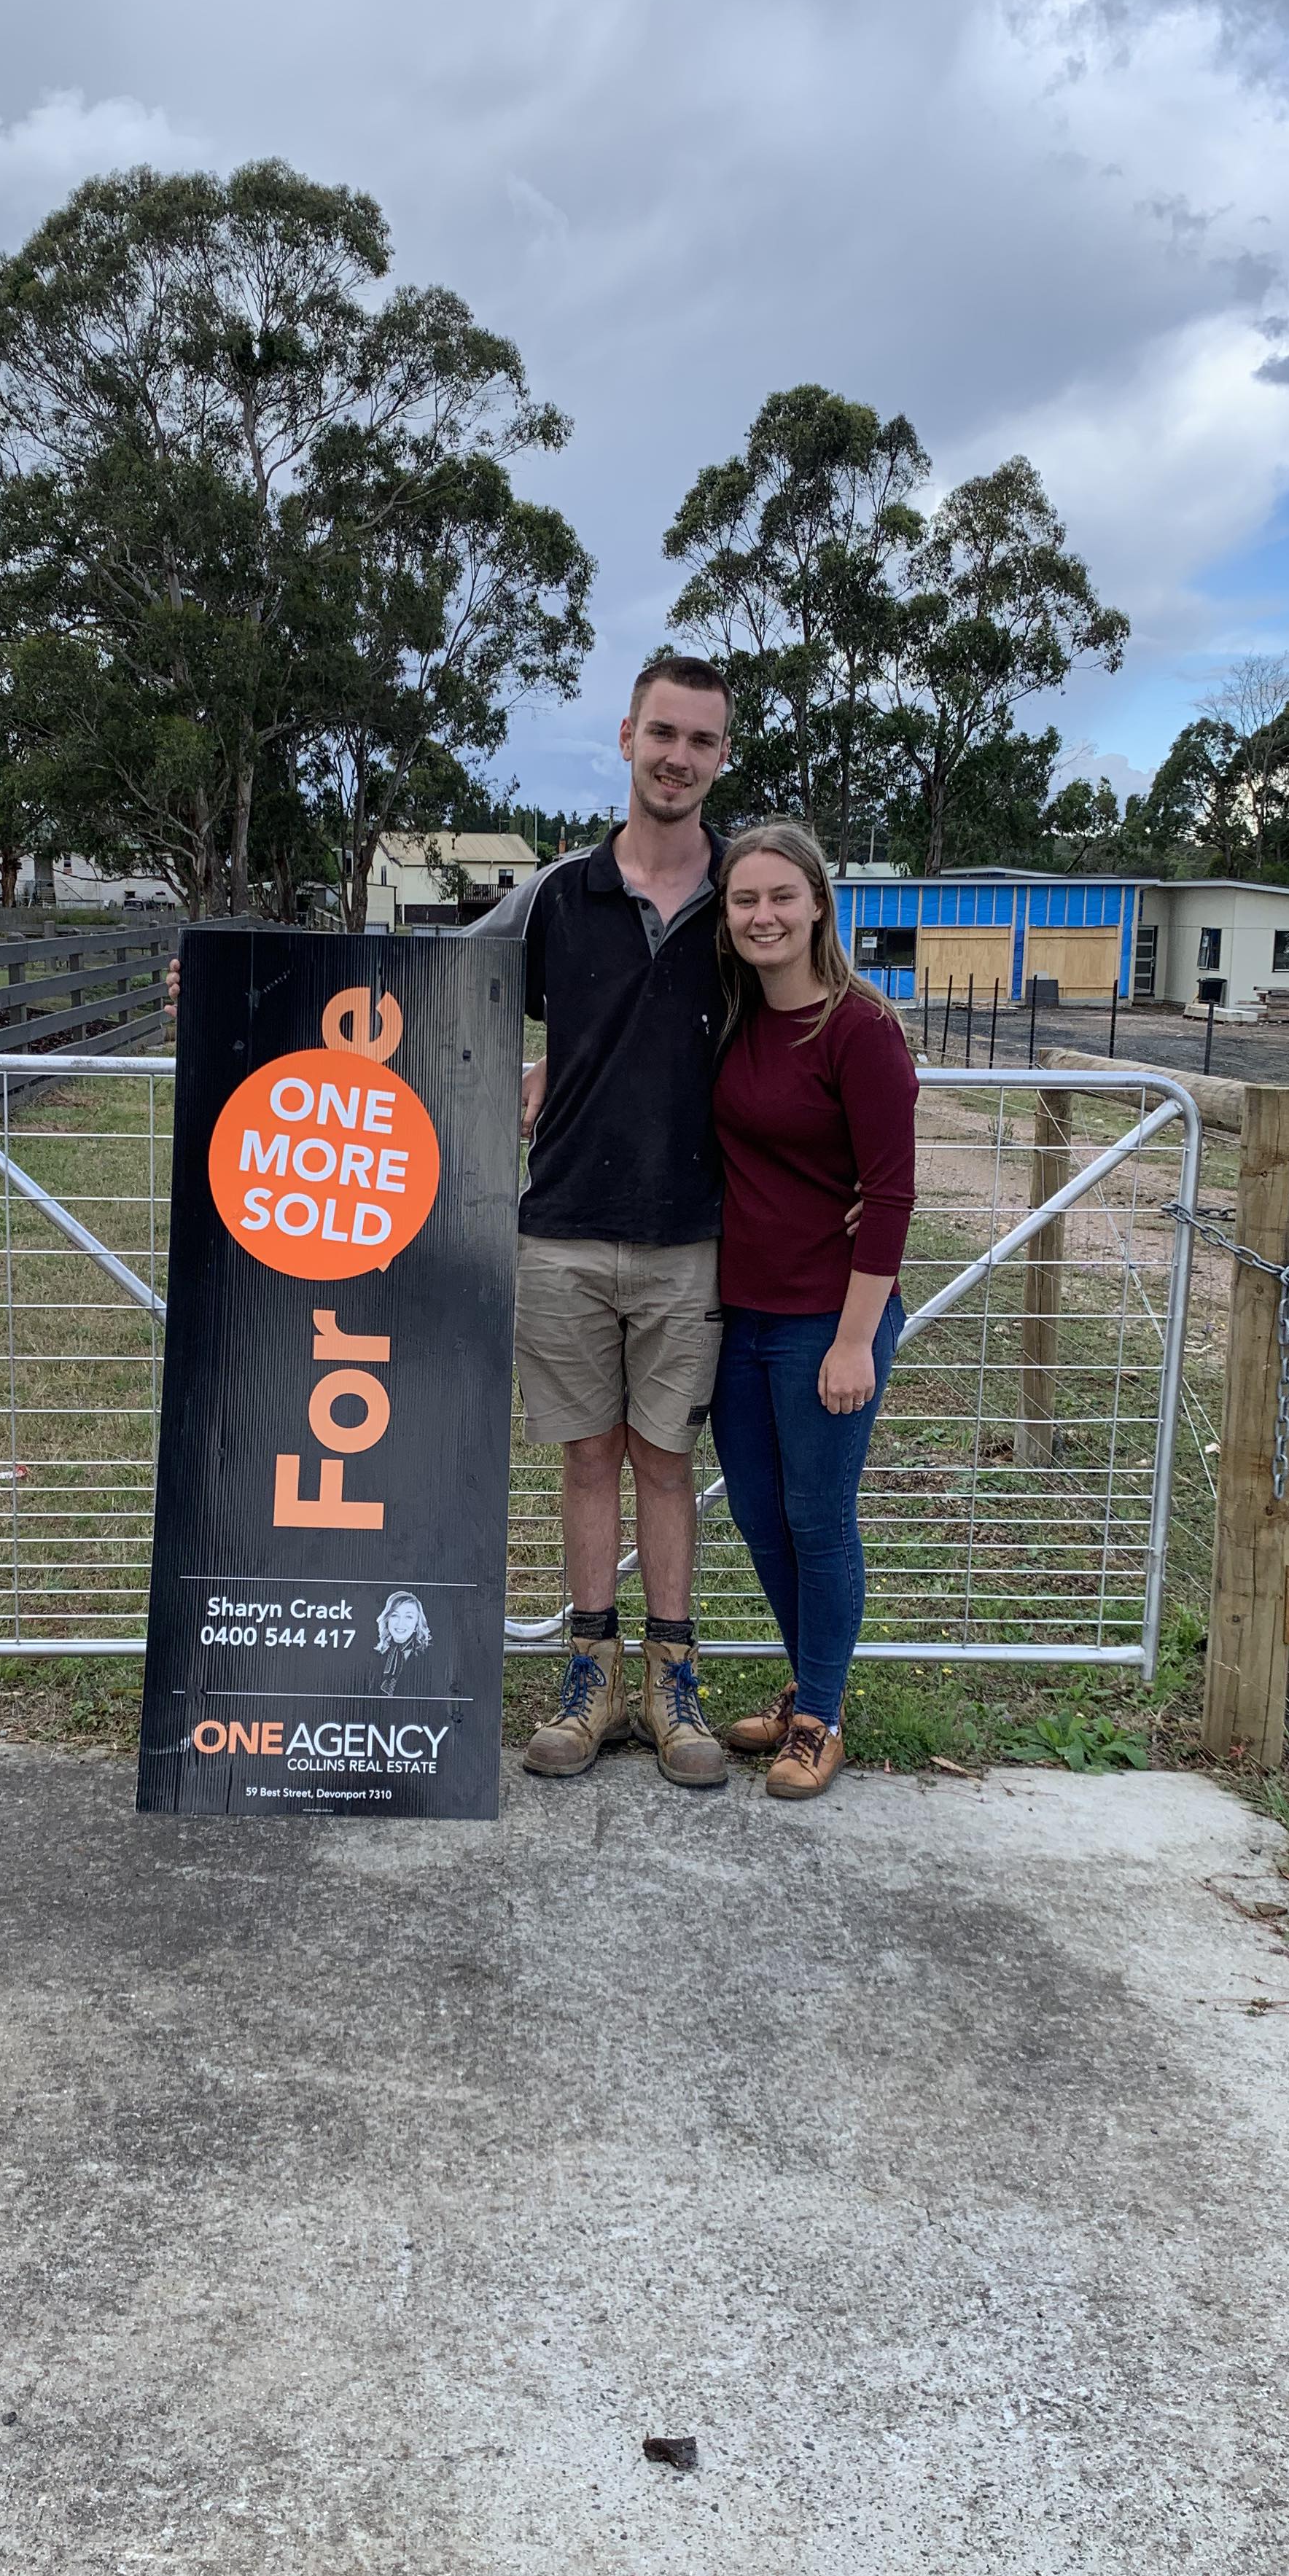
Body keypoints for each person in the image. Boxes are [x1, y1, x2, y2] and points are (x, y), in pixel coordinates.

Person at [468, 657, 738, 1789]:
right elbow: (433, 979)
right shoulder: (555, 896)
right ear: (626, 736)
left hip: (694, 1234)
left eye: (703, 741)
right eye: (662, 733)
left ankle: (673, 1689)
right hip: (564, 1226)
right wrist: (238, 979)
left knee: (665, 1464)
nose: (678, 757)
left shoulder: (749, 896)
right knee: (587, 1458)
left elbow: (830, 1010)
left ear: (723, 758)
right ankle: (590, 1679)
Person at [706, 821, 916, 1800]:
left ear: (818, 906)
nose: (763, 916)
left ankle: (821, 1719)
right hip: (739, 1315)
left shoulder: (861, 1030)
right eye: (745, 900)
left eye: (781, 897)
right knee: (758, 1515)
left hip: (828, 1321)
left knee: (819, 1519)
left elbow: (892, 1195)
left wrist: (852, 1340)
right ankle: (804, 1690)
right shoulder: (734, 1020)